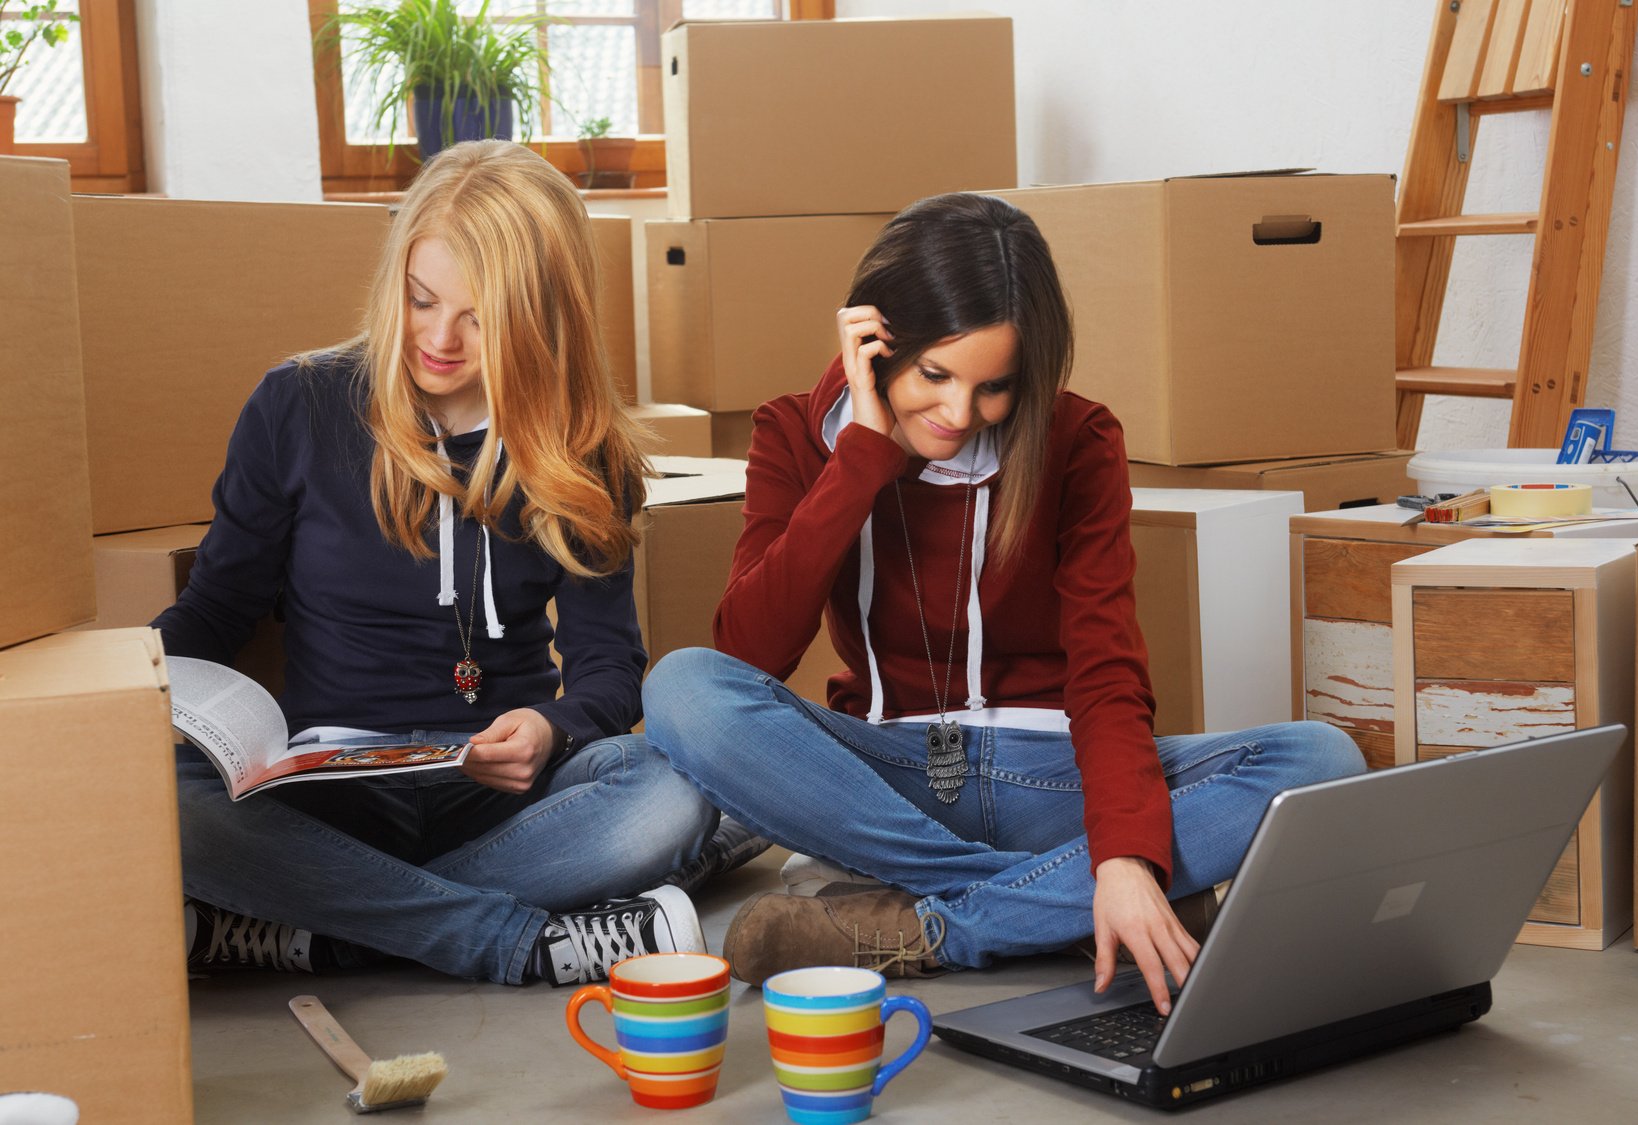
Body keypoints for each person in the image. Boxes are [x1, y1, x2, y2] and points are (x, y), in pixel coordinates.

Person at [642, 192, 1366, 1013]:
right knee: (681, 686)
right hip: (886, 781)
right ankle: (1060, 908)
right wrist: (861, 459)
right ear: (877, 342)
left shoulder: (1078, 440)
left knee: (1320, 758)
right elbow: (748, 655)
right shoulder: (794, 434)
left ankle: (942, 927)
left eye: (995, 386)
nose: (959, 413)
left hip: (1047, 779)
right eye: (934, 374)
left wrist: (1125, 854)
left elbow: (1106, 672)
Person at [157, 140, 723, 987]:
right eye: (422, 301)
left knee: (674, 789)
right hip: (330, 793)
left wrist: (551, 727)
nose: (439, 340)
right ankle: (502, 937)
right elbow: (217, 608)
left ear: (542, 315)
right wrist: (119, 697)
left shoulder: (581, 448)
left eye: (479, 317)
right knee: (165, 799)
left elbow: (610, 667)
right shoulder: (299, 403)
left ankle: (332, 929)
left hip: (501, 795)